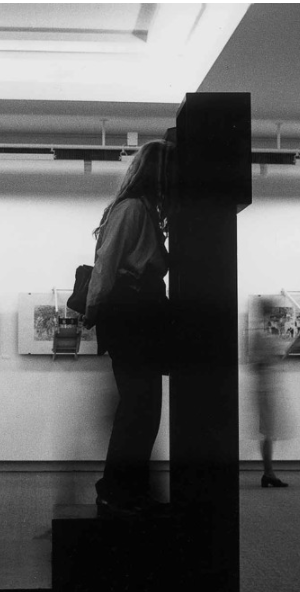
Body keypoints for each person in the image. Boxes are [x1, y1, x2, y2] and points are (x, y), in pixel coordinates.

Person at [83, 139, 173, 518]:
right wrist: (92, 309)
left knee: (144, 409)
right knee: (139, 407)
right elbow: (106, 263)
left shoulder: (144, 210)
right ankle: (116, 491)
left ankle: (129, 490)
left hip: (138, 317)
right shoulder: (133, 208)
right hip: (131, 317)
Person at [250, 298, 294, 488]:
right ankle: (268, 473)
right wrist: (272, 355)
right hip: (265, 389)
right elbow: (256, 362)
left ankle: (269, 473)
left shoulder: (263, 332)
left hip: (268, 387)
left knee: (270, 433)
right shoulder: (260, 333)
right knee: (268, 432)